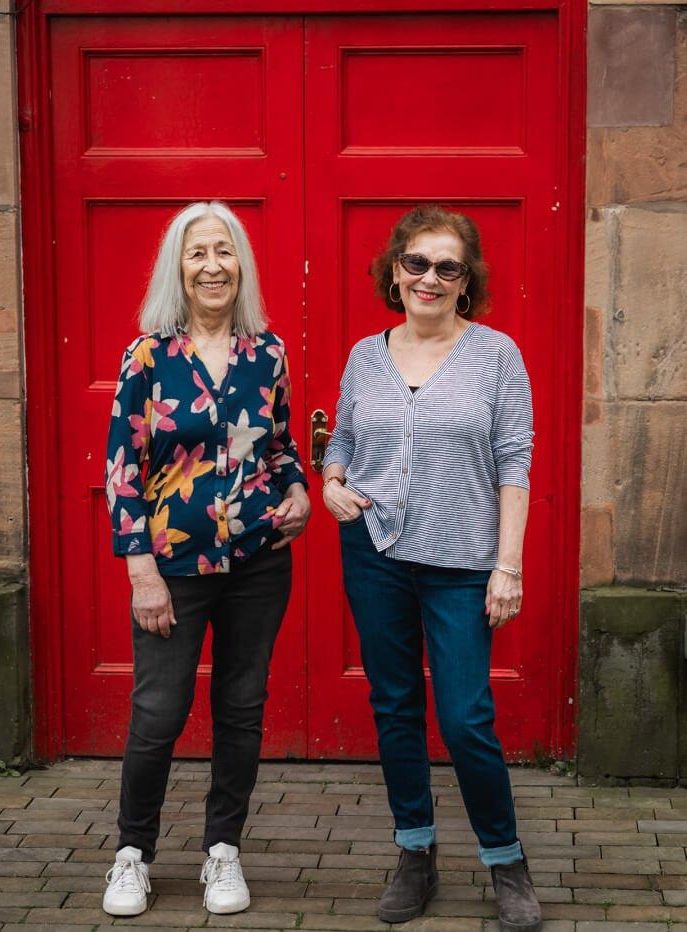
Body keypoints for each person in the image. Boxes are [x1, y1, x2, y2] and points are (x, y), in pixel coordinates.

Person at [322, 205, 541, 930]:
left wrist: (507, 566)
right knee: (394, 707)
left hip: (463, 562)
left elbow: (515, 461)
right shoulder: (365, 354)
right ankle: (414, 851)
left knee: (465, 716)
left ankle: (505, 859)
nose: (430, 278)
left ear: (465, 280)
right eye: (417, 263)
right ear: (395, 270)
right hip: (376, 552)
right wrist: (331, 483)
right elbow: (342, 436)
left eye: (448, 267)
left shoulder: (497, 355)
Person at [102, 201, 310, 917]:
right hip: (172, 569)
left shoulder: (267, 354)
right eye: (198, 254)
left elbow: (278, 445)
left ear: (240, 264)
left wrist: (300, 495)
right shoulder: (149, 356)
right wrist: (140, 570)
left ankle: (224, 851)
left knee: (241, 709)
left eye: (225, 251)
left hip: (257, 562)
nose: (213, 265)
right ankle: (133, 853)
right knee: (159, 713)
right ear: (180, 268)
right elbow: (122, 469)